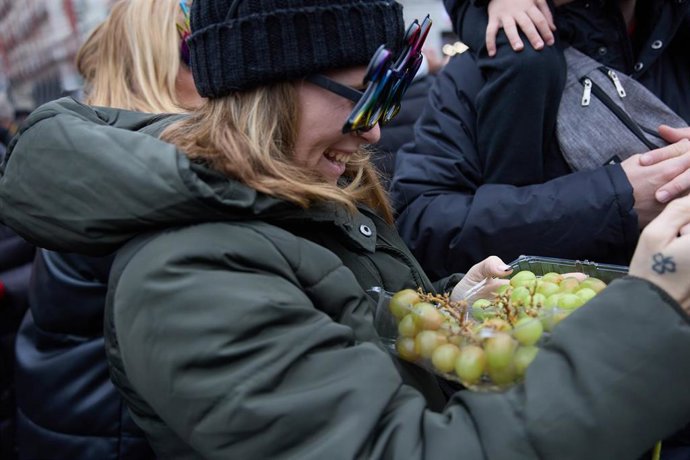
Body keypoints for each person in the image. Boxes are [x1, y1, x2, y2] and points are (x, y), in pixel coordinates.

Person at [3, 0, 690, 458]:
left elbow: (345, 341)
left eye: (392, 92)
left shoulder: (297, 202)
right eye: (369, 95)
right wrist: (653, 306)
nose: (380, 127)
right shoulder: (185, 276)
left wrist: (447, 312)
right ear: (266, 84)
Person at [10, 1, 202, 459]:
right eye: (197, 49)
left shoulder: (106, 154)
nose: (226, 64)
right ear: (151, 64)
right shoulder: (146, 173)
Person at [390, 0, 690, 280]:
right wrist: (614, 200)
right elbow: (423, 229)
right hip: (542, 322)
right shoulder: (483, 68)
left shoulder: (678, 43)